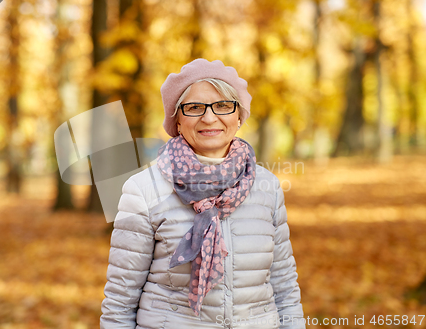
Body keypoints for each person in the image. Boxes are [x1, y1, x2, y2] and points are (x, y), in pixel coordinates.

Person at [100, 59, 305, 329]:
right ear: (178, 120)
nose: (209, 118)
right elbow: (119, 302)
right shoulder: (143, 190)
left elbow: (285, 286)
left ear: (239, 116)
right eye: (194, 107)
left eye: (222, 105)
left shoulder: (267, 186)